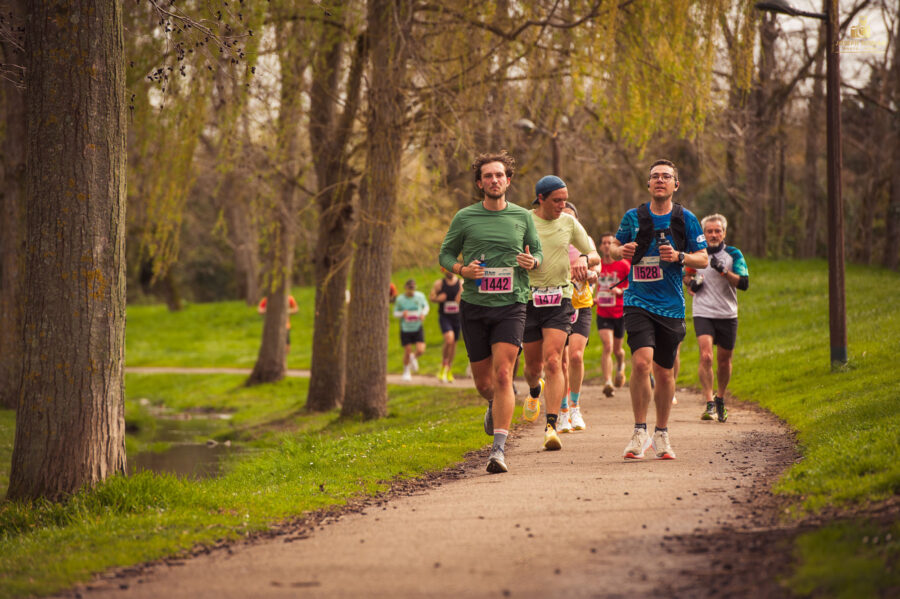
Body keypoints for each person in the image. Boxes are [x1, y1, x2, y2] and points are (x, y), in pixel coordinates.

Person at [438, 151, 543, 474]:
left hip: (512, 305)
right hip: (474, 307)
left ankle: (498, 450)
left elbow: (536, 250)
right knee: (485, 383)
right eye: (488, 176)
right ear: (479, 183)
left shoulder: (523, 217)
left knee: (503, 374)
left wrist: (533, 262)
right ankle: (493, 401)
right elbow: (444, 254)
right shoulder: (465, 218)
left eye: (500, 175)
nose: (494, 180)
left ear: (508, 180)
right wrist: (461, 270)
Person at [610, 159, 708, 460]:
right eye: (655, 177)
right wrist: (620, 251)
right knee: (641, 364)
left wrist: (680, 256)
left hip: (671, 306)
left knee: (665, 373)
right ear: (648, 184)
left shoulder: (686, 219)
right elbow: (613, 248)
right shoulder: (633, 217)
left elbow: (702, 259)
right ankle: (639, 431)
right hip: (637, 301)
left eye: (667, 176)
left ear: (675, 184)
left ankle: (662, 434)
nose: (660, 181)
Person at [522, 176, 598, 451]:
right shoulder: (523, 220)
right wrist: (522, 260)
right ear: (540, 198)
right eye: (557, 200)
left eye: (565, 200)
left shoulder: (568, 222)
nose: (562, 205)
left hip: (560, 298)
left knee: (554, 360)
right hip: (528, 299)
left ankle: (551, 426)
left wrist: (583, 258)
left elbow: (594, 254)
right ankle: (534, 390)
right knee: (533, 369)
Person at [683, 213, 749, 423]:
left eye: (717, 231)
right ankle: (709, 401)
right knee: (706, 356)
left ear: (724, 233)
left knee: (724, 360)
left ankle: (720, 397)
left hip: (727, 313)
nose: (713, 235)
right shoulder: (698, 253)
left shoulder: (733, 254)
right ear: (703, 233)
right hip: (703, 311)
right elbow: (686, 274)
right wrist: (691, 283)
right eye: (709, 231)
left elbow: (744, 283)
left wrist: (724, 273)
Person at [557, 201, 600, 433]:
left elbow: (597, 264)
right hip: (556, 305)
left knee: (575, 356)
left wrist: (591, 274)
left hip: (581, 304)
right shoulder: (551, 240)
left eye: (571, 217)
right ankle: (562, 412)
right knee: (560, 360)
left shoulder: (586, 242)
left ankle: (575, 407)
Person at [594, 233, 630, 398]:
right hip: (603, 311)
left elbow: (633, 287)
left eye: (610, 242)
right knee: (607, 346)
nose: (607, 245)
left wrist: (620, 290)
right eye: (604, 243)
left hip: (619, 312)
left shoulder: (623, 266)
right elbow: (589, 285)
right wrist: (592, 298)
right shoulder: (597, 266)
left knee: (617, 350)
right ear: (601, 247)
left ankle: (621, 365)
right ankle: (607, 382)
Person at [429, 268, 462, 383]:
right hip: (445, 317)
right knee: (449, 339)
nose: (450, 272)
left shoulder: (461, 283)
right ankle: (444, 364)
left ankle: (449, 369)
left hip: (457, 318)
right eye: (447, 270)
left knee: (453, 344)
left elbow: (467, 298)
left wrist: (461, 299)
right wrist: (439, 298)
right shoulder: (439, 284)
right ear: (443, 271)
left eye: (451, 270)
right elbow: (431, 297)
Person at [393, 279, 429, 381]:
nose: (411, 291)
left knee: (421, 350)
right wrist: (402, 314)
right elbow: (395, 313)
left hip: (417, 326)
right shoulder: (400, 299)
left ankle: (413, 357)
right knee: (408, 351)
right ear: (406, 288)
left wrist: (423, 314)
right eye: (409, 289)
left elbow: (426, 307)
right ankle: (406, 371)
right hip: (406, 328)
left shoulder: (420, 296)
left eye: (413, 289)